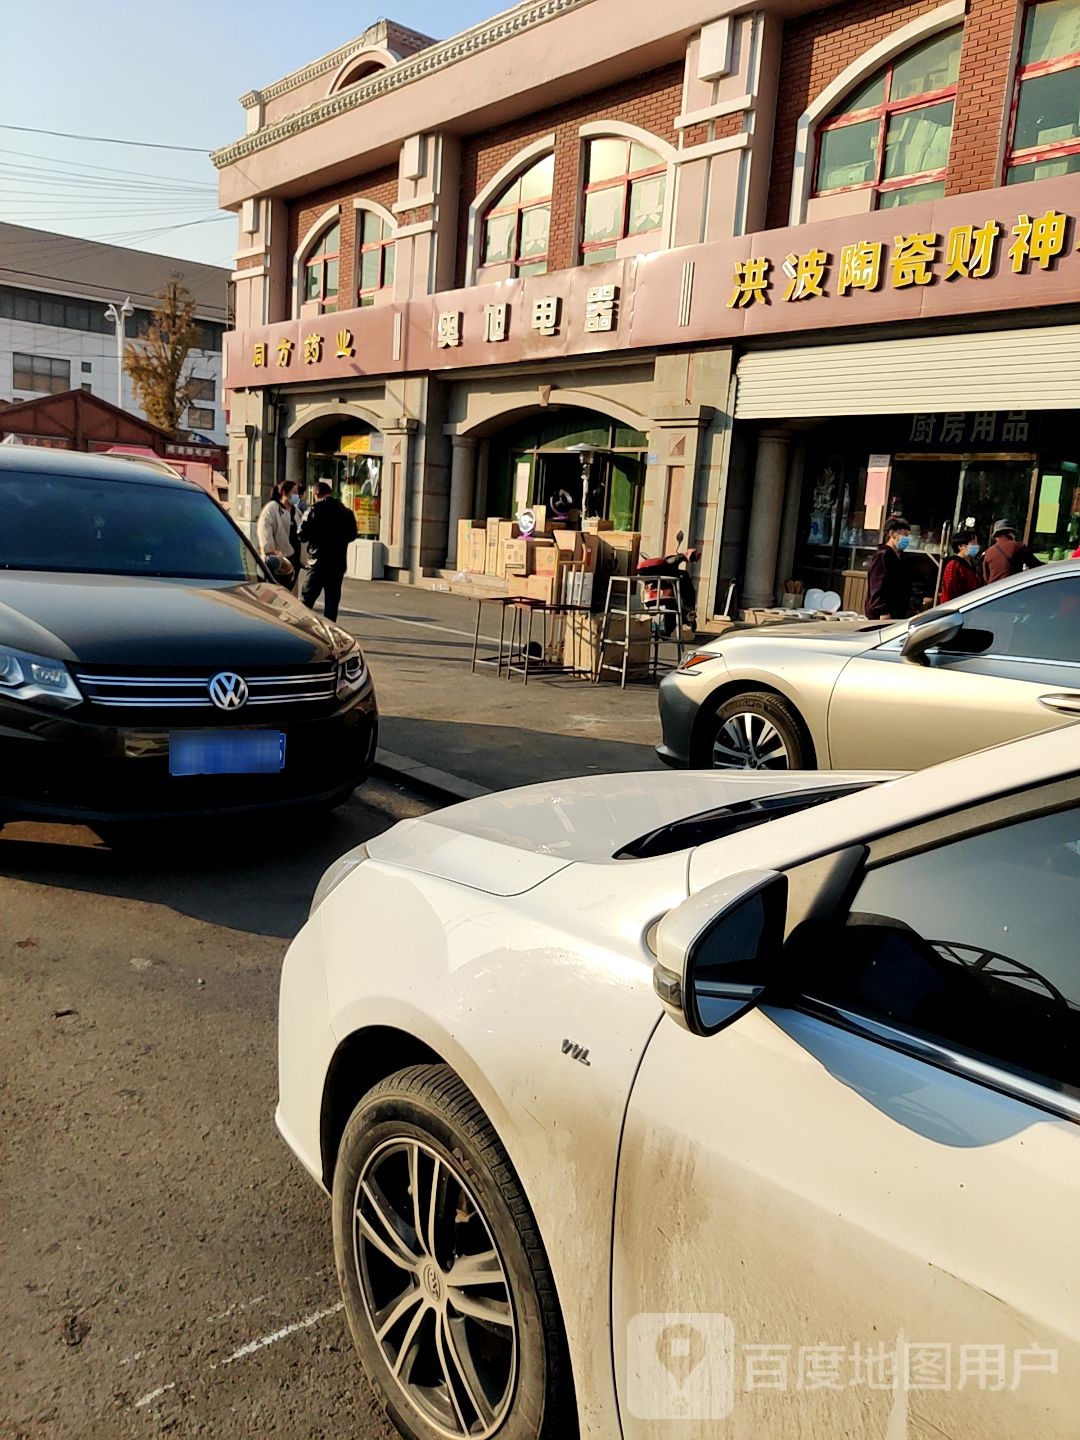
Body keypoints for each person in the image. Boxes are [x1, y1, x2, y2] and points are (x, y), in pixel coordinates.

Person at [300, 481, 357, 622]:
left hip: (317, 561)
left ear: (316, 494)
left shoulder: (313, 510)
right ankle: (330, 631)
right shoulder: (346, 511)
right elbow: (352, 535)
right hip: (337, 562)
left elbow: (301, 534)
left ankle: (301, 629)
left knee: (307, 599)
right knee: (332, 601)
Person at [865, 515, 913, 621]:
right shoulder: (883, 555)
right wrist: (883, 611)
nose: (907, 539)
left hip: (897, 610)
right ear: (892, 534)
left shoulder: (901, 556)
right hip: (883, 614)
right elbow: (878, 586)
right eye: (904, 535)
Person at [257, 482, 295, 587]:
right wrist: (270, 552)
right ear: (284, 492)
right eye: (294, 492)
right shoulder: (272, 508)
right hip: (278, 561)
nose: (297, 496)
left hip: (292, 559)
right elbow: (265, 529)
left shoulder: (295, 511)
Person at [982, 519, 1042, 584]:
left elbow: (986, 577)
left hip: (994, 591)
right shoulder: (1018, 546)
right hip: (1011, 589)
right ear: (1011, 533)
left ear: (996, 537)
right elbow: (1037, 566)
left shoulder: (988, 552)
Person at [939, 529, 982, 603]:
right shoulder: (954, 564)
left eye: (977, 543)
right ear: (961, 546)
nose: (976, 546)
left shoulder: (970, 563)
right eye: (973, 543)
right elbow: (949, 591)